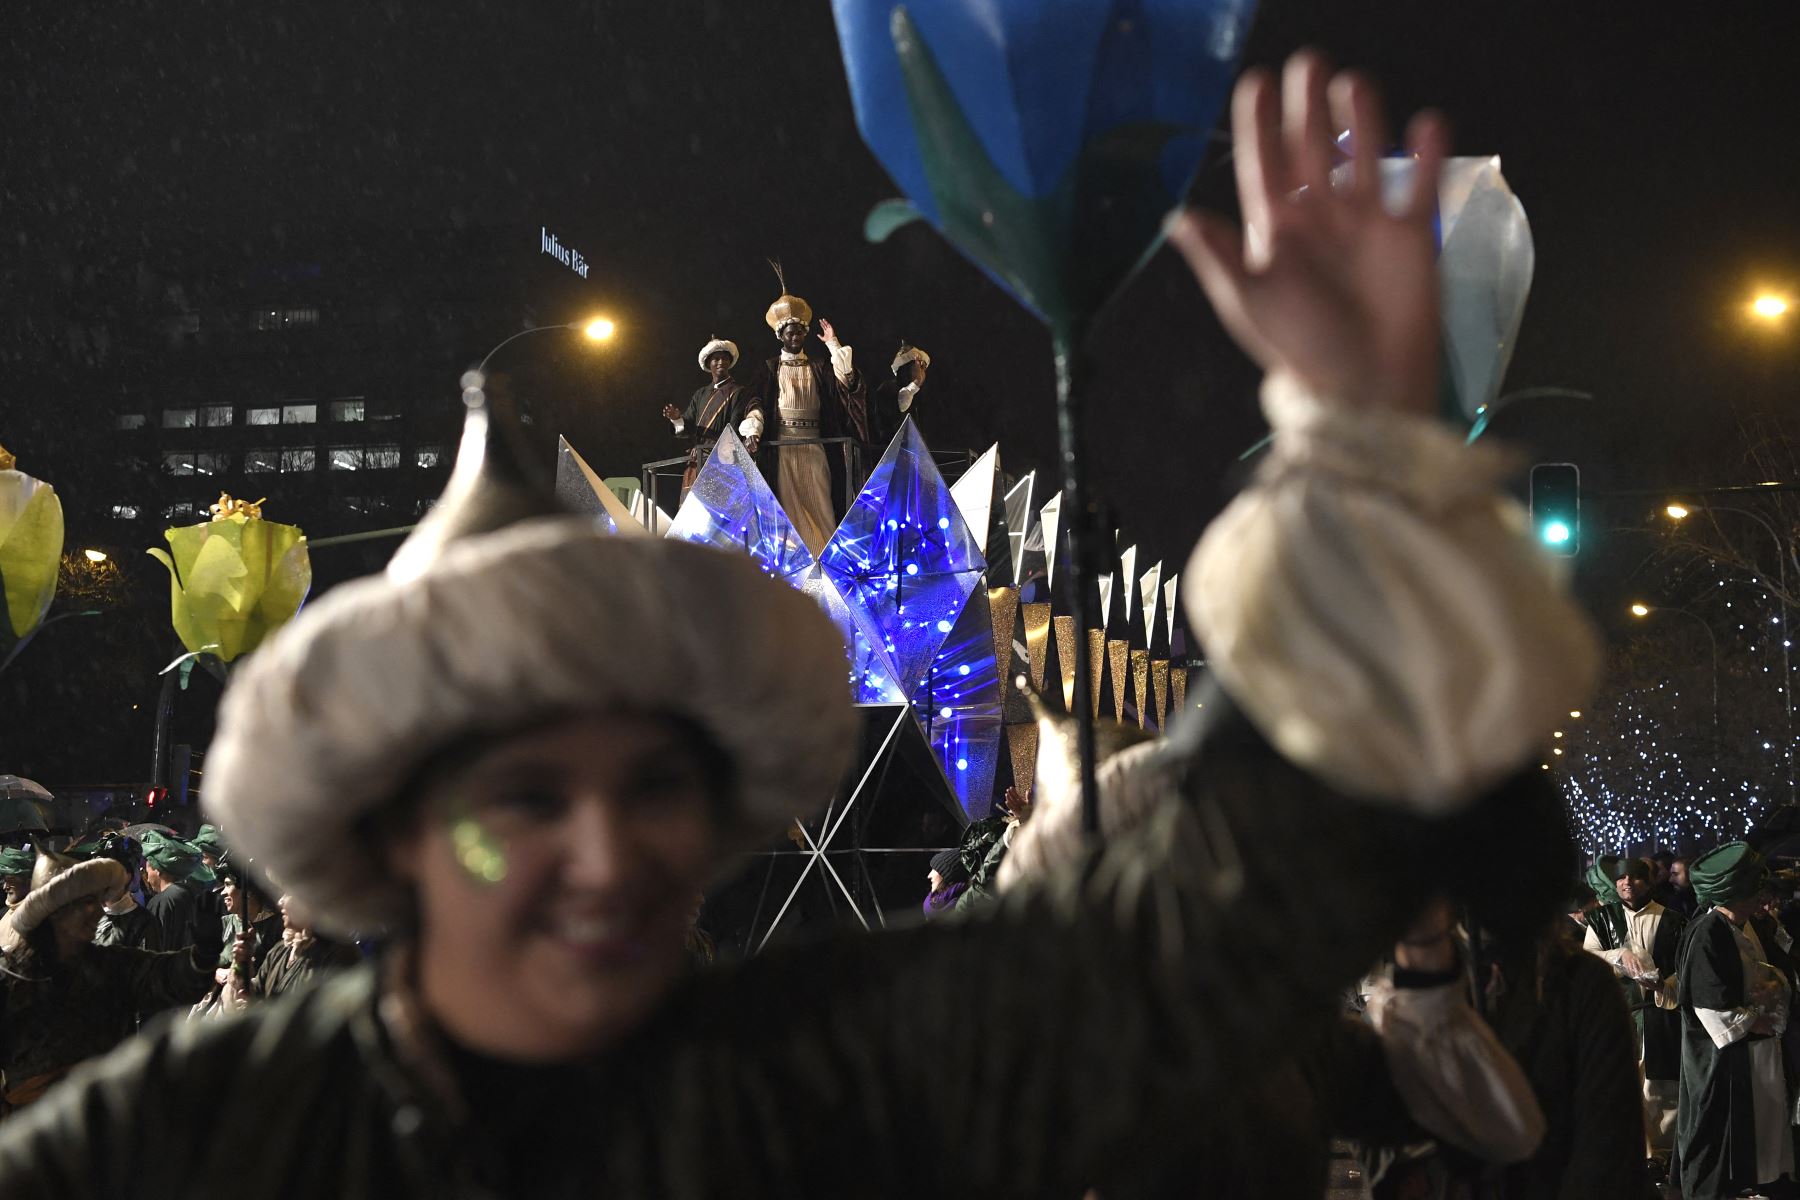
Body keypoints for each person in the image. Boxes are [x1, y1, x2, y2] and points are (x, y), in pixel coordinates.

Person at [0, 53, 1598, 1197]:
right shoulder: (190, 1134)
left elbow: (1200, 922)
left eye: (656, 790)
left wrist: (1358, 440)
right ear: (395, 828)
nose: (606, 855)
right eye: (521, 806)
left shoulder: (801, 1073)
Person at [0, 853, 215, 1112]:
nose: (97, 911)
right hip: (33, 1134)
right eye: (85, 902)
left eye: (97, 900)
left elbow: (169, 977)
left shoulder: (112, 966)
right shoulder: (10, 977)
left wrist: (204, 953)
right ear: (54, 909)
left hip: (105, 1124)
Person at [1677, 841, 1796, 1198]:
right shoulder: (1707, 931)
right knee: (1717, 1139)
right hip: (1724, 1063)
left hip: (1754, 1055)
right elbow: (1711, 1006)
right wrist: (1755, 1021)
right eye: (1751, 892)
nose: (1760, 899)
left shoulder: (1739, 927)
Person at [742, 269, 869, 555]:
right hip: (784, 447)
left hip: (815, 445)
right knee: (789, 508)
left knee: (822, 504)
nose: (796, 336)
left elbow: (848, 382)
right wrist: (753, 429)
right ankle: (797, 563)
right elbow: (755, 402)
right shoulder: (769, 368)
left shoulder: (818, 366)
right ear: (780, 335)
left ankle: (825, 559)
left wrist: (833, 344)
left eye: (800, 331)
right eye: (790, 331)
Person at [1580, 856, 1686, 1173]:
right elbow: (1589, 961)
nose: (1628, 883)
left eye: (1637, 877)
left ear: (1650, 881)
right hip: (1621, 1014)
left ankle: (1661, 1155)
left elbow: (1683, 968)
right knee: (1622, 1084)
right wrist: (1619, 955)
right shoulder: (1601, 918)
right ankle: (1635, 1153)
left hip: (1659, 1014)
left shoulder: (1672, 919)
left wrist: (1663, 985)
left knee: (1660, 1089)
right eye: (1622, 878)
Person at [662, 337, 763, 497]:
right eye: (716, 358)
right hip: (698, 462)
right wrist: (676, 419)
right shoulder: (700, 394)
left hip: (726, 462)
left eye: (724, 358)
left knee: (724, 514)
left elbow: (748, 417)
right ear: (708, 364)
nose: (720, 362)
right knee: (695, 513)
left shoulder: (740, 392)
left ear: (730, 362)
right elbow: (687, 427)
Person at [138, 830, 216, 954]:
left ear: (157, 869)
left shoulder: (160, 902)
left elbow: (151, 951)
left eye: (148, 870)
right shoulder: (192, 893)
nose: (147, 877)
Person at [868, 342, 931, 451]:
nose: (922, 372)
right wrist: (916, 382)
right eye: (919, 366)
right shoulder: (888, 388)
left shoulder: (918, 398)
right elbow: (899, 408)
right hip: (891, 456)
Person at [0, 847, 34, 911]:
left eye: (11, 879)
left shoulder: (42, 918)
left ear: (29, 881)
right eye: (4, 881)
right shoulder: (2, 913)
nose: (4, 887)